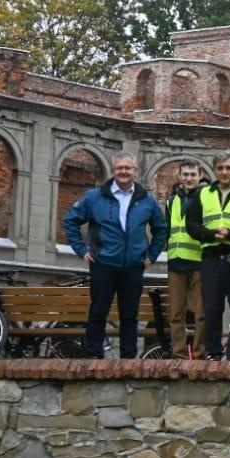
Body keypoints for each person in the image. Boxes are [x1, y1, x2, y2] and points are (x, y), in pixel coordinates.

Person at [62, 152, 167, 360]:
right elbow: (70, 221)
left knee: (129, 316)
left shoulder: (146, 200)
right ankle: (93, 357)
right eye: (120, 168)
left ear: (135, 172)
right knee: (98, 313)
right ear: (113, 171)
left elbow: (161, 229)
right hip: (103, 264)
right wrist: (82, 250)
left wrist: (151, 256)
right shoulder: (95, 197)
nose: (124, 172)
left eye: (128, 168)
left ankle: (128, 360)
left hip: (133, 266)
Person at [187, 151, 230, 360]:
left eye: (228, 168)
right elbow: (191, 225)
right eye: (220, 168)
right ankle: (214, 354)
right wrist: (210, 233)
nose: (224, 172)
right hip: (212, 258)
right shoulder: (204, 193)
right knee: (212, 309)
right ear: (214, 170)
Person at [164, 161, 205, 358]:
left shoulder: (207, 199)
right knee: (175, 314)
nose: (189, 178)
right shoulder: (171, 201)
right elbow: (167, 230)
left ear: (200, 176)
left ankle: (198, 354)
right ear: (180, 176)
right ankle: (179, 354)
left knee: (200, 314)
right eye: (185, 174)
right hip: (176, 261)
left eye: (192, 174)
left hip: (199, 262)